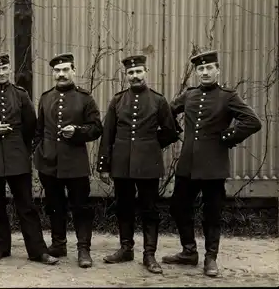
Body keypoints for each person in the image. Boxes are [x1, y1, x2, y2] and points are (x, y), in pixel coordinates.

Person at [161, 50, 262, 277]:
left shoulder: (228, 96)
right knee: (178, 207)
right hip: (187, 164)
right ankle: (189, 251)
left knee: (212, 212)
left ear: (217, 70)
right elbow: (166, 112)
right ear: (196, 72)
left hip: (213, 165)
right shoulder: (189, 95)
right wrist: (173, 131)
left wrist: (227, 137)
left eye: (209, 68)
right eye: (200, 69)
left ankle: (210, 257)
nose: (205, 72)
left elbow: (253, 121)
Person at [0, 52, 58, 265]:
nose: (2, 73)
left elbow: (31, 127)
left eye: (5, 68)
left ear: (9, 70)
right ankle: (0, 247)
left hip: (17, 158)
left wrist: (22, 150)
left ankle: (37, 251)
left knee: (26, 206)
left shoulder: (21, 95)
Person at [97, 55, 180, 274]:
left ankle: (149, 254)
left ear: (146, 72)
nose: (135, 76)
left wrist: (150, 145)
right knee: (123, 206)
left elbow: (171, 132)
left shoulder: (158, 101)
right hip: (121, 164)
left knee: (149, 209)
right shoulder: (117, 100)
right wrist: (104, 165)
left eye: (138, 72)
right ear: (126, 76)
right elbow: (108, 135)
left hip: (148, 164)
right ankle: (126, 249)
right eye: (131, 73)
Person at [33, 52, 103, 268]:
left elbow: (96, 128)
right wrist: (39, 152)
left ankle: (83, 250)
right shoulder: (45, 97)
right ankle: (59, 244)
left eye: (65, 70)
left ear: (73, 71)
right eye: (57, 70)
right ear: (53, 73)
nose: (61, 74)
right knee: (54, 206)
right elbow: (39, 130)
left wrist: (78, 131)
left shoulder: (85, 98)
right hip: (49, 163)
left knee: (81, 207)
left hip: (75, 163)